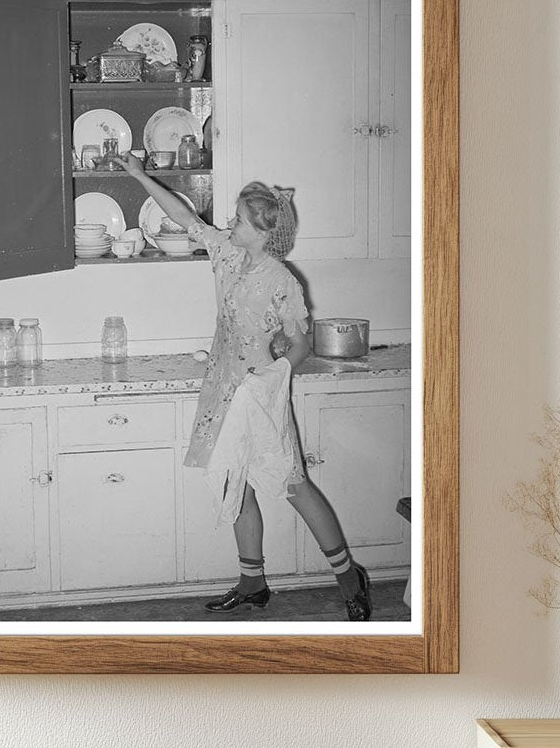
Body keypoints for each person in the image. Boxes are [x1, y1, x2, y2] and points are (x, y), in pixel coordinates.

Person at [118, 156, 371, 621]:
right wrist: (137, 175)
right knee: (236, 483)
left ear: (261, 230)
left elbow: (299, 342)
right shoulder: (226, 253)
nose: (229, 223)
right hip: (222, 389)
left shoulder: (283, 283)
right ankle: (252, 582)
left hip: (260, 392)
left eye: (237, 219)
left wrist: (276, 374)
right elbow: (183, 216)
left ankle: (349, 576)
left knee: (293, 485)